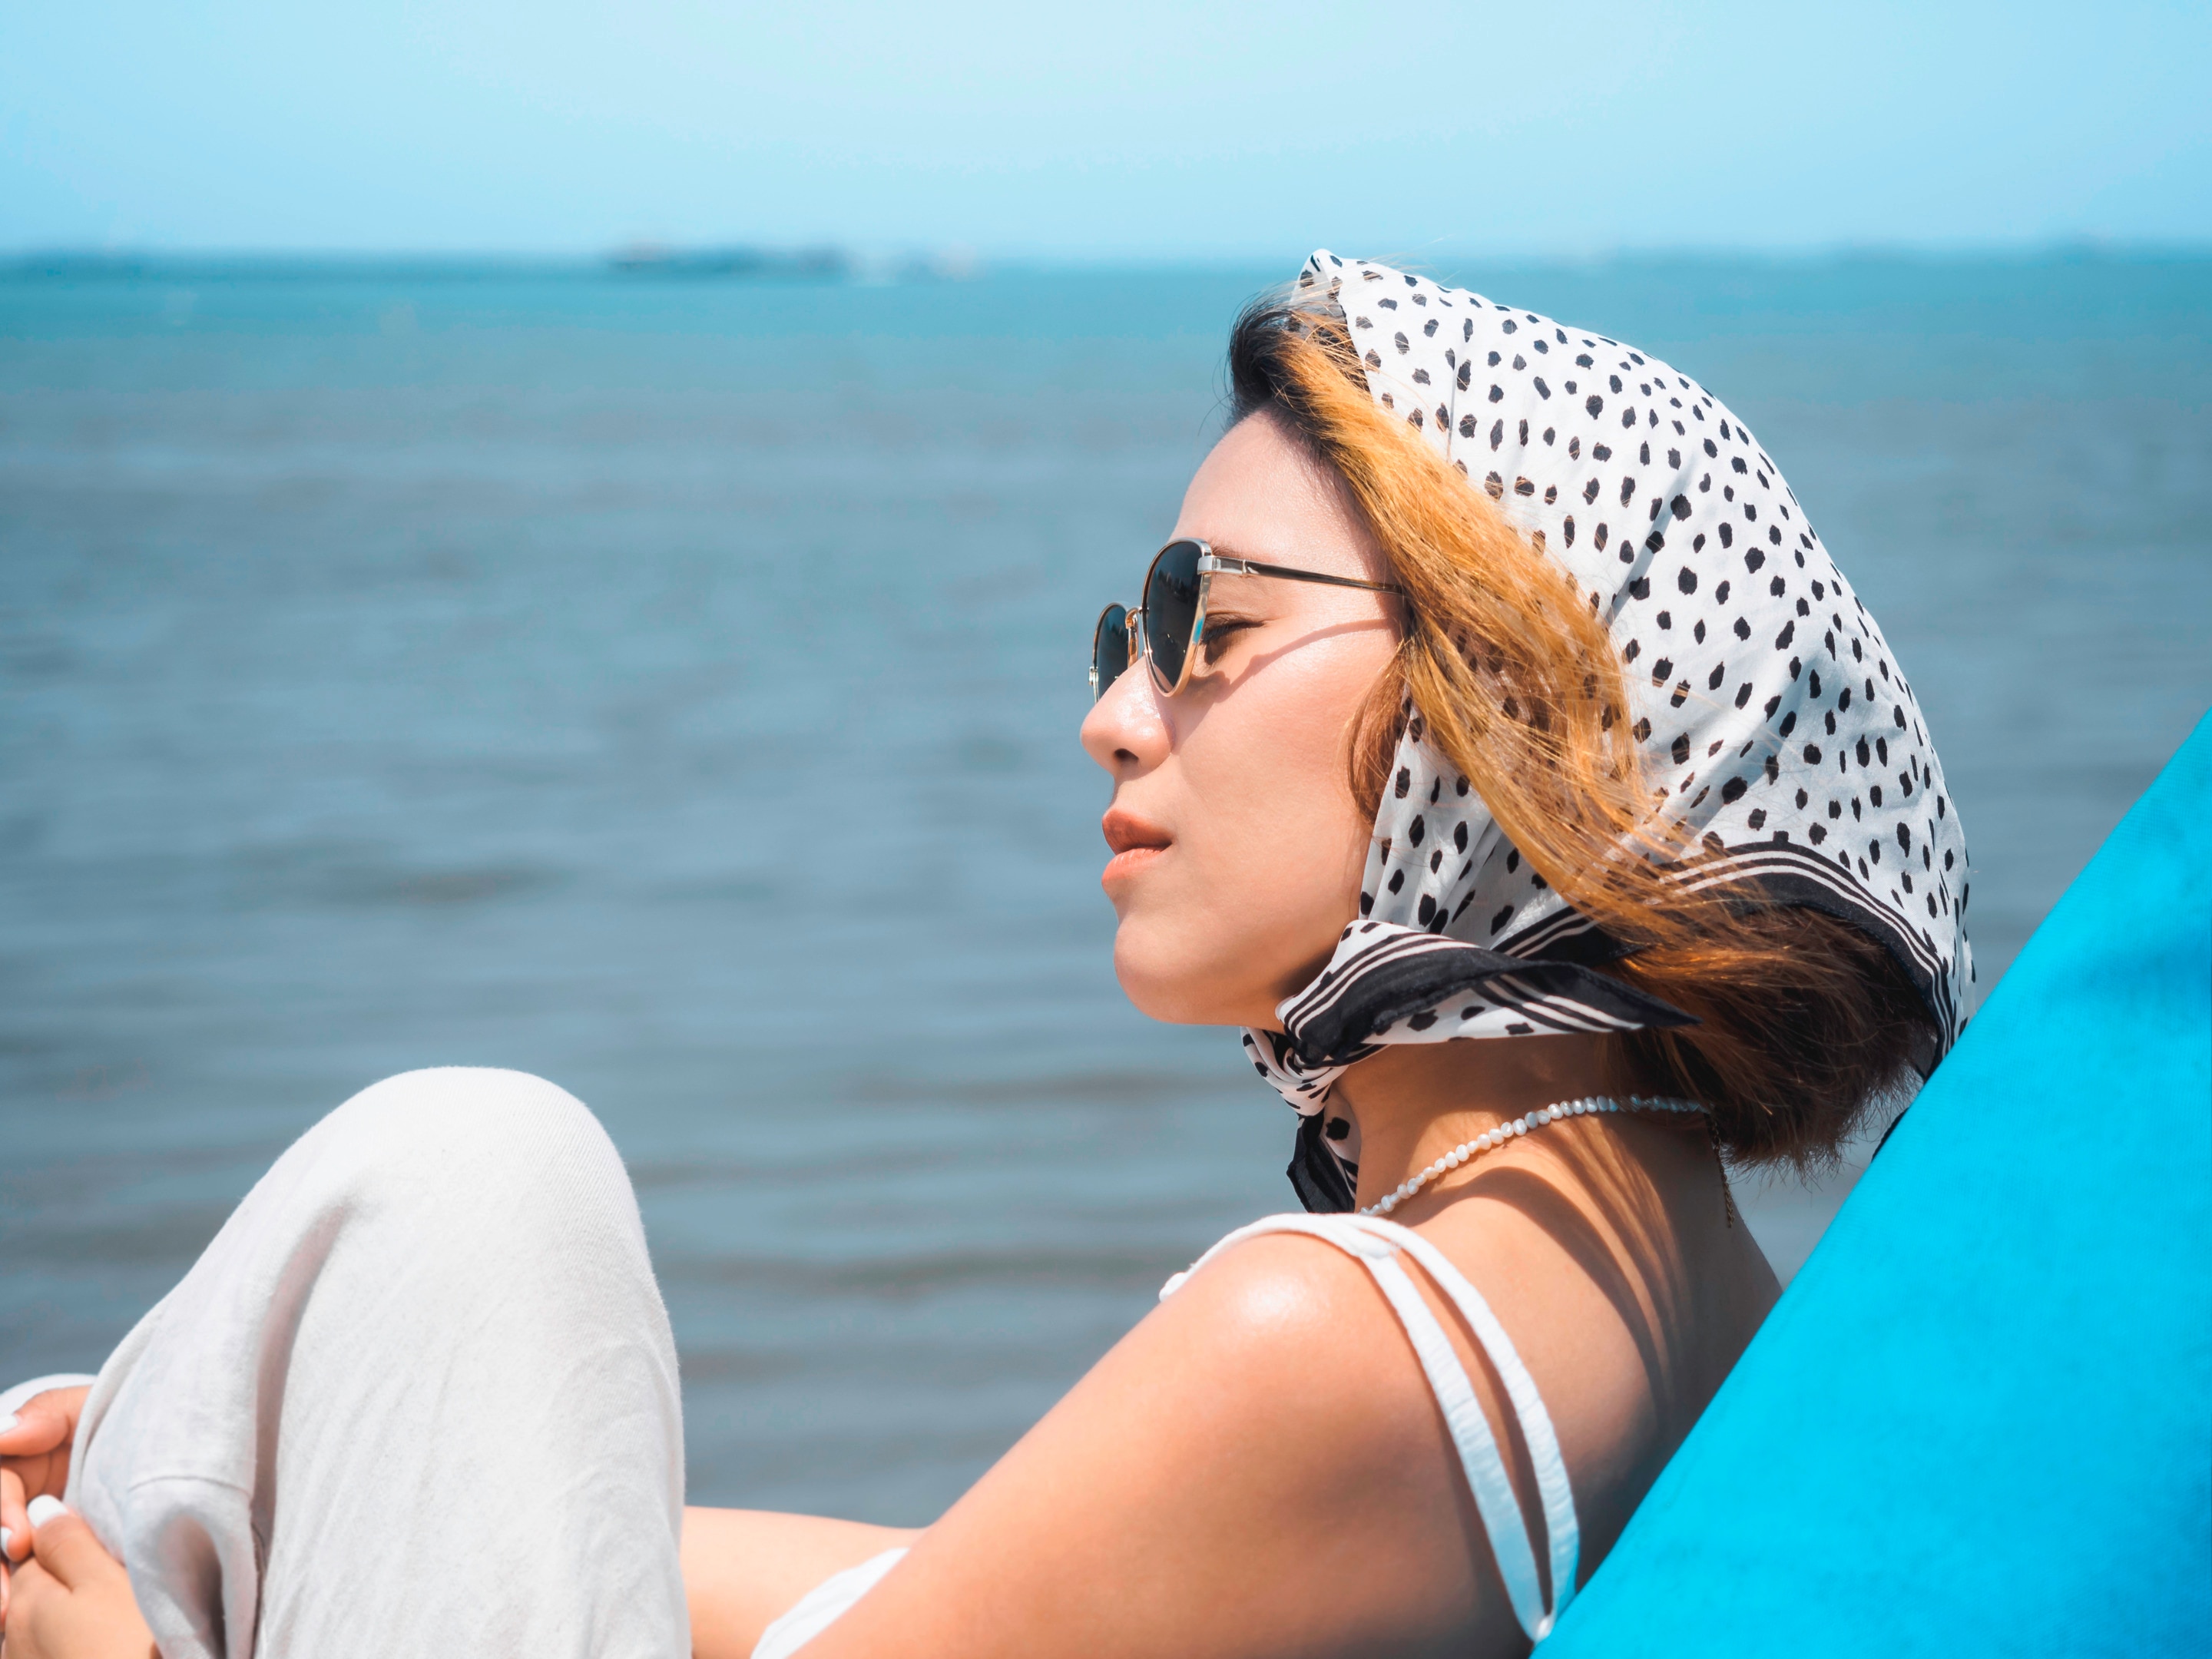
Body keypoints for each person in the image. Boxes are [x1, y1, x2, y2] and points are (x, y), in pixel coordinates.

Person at [0, 251, 1969, 1659]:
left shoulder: (1335, 1343)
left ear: (1506, 703)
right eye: (1121, 634)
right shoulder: (1698, 1307)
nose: (1120, 713)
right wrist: (357, 1458)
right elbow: (980, 1586)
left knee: (469, 1168)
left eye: (1209, 621)